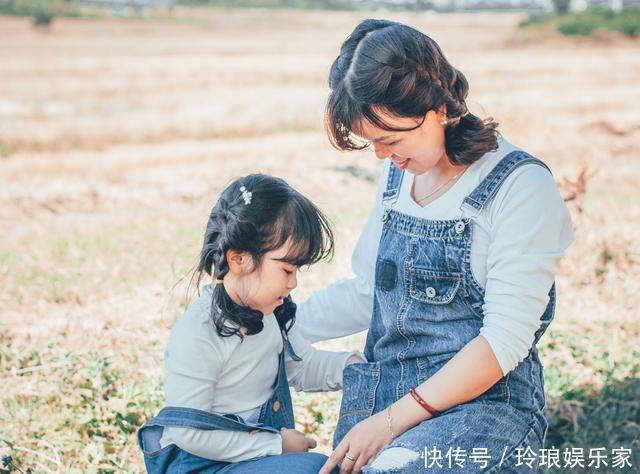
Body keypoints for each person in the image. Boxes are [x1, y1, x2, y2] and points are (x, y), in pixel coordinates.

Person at [294, 19, 574, 473]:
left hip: (485, 407)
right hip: (387, 396)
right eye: (373, 145)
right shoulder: (398, 173)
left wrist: (389, 423)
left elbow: (503, 341)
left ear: (440, 108)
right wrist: (279, 325)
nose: (384, 157)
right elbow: (372, 292)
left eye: (391, 140)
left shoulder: (520, 187)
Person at [138, 174, 362, 473]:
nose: (294, 282)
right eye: (286, 269)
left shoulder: (269, 314)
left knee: (320, 467)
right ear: (239, 260)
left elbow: (302, 366)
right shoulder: (200, 331)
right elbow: (187, 432)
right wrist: (275, 445)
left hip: (252, 459)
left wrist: (355, 365)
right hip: (203, 465)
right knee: (313, 469)